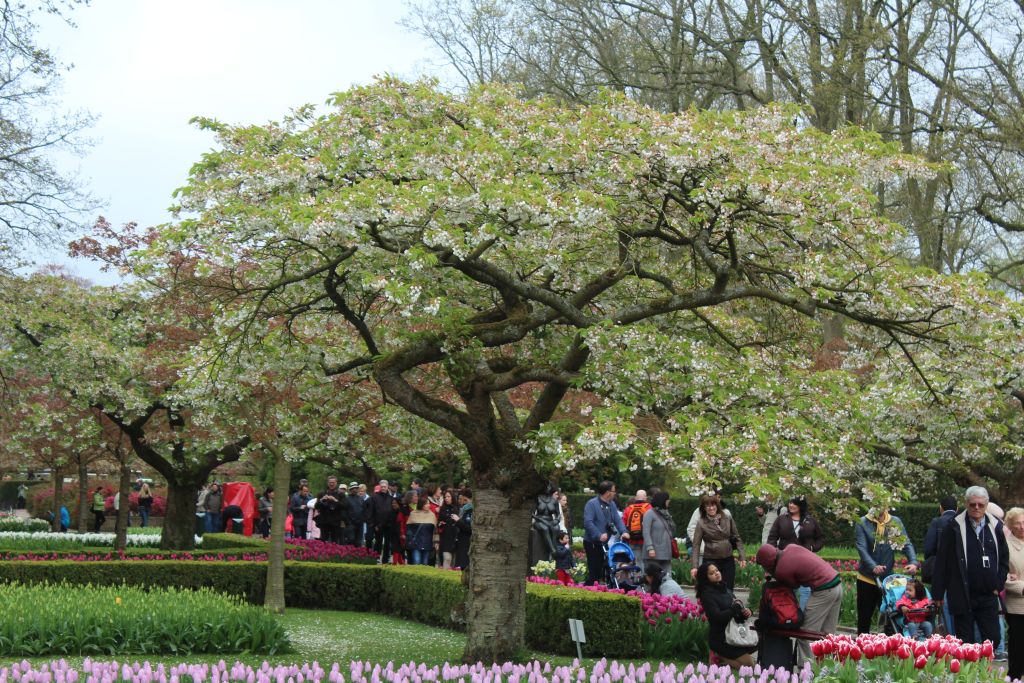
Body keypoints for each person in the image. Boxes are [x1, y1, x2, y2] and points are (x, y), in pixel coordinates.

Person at [932, 486, 1008, 645]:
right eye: (973, 504)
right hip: (962, 593)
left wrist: (998, 584)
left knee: (993, 638)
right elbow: (941, 561)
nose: (976, 508)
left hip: (988, 594)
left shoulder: (996, 526)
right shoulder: (953, 527)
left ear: (986, 505)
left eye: (980, 504)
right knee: (965, 641)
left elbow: (1003, 559)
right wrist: (938, 593)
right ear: (966, 504)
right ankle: (969, 669)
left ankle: (985, 669)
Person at [755, 542, 843, 665]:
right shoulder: (791, 547)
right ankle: (827, 670)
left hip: (823, 590)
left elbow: (793, 585)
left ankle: (806, 671)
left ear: (768, 564)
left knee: (806, 633)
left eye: (764, 566)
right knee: (827, 634)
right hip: (837, 585)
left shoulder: (782, 569)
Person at [853, 507, 918, 634]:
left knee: (890, 619)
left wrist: (913, 562)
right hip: (866, 578)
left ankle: (889, 650)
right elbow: (861, 548)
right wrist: (873, 566)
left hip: (887, 581)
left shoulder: (895, 522)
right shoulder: (862, 522)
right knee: (864, 619)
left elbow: (906, 543)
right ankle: (861, 650)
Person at [695, 562, 756, 669]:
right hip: (721, 639)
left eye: (717, 571)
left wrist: (746, 612)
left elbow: (737, 612)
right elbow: (716, 618)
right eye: (711, 573)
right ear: (705, 577)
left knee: (758, 641)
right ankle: (719, 656)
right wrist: (733, 610)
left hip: (735, 634)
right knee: (749, 666)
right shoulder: (707, 594)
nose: (716, 574)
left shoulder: (727, 590)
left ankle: (727, 658)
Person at [768, 497, 825, 609]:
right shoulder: (782, 519)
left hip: (805, 562)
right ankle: (789, 615)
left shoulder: (810, 520)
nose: (791, 505)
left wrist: (813, 548)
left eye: (794, 503)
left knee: (806, 590)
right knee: (788, 589)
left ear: (801, 505)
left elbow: (821, 538)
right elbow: (772, 538)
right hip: (786, 561)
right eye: (789, 502)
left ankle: (803, 616)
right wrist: (774, 554)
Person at [690, 494, 745, 589]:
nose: (711, 508)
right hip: (711, 560)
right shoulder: (701, 523)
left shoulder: (727, 518)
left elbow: (737, 537)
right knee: (712, 589)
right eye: (707, 506)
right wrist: (695, 566)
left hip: (727, 558)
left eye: (713, 505)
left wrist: (742, 556)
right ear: (704, 508)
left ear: (717, 505)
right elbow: (696, 545)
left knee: (728, 588)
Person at [582, 481, 630, 585]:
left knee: (607, 569)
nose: (615, 493)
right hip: (593, 543)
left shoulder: (611, 504)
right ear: (608, 492)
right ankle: (589, 589)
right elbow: (588, 522)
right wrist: (598, 535)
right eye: (614, 491)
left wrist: (624, 532)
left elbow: (617, 520)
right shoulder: (592, 504)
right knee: (595, 571)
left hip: (605, 543)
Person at [923, 494, 958, 633]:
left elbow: (929, 548)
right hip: (959, 572)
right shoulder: (961, 521)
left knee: (943, 607)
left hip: (941, 571)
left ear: (940, 508)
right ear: (957, 509)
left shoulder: (937, 522)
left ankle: (947, 638)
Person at [1003, 506, 1024, 681]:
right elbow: (1003, 577)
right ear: (1011, 526)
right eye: (1018, 523)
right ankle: (1015, 676)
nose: (1022, 526)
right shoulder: (1006, 547)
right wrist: (1020, 585)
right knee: (1017, 643)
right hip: (1017, 604)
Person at [642, 491, 676, 576]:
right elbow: (646, 532)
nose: (669, 501)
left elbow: (672, 529)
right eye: (667, 500)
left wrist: (669, 519)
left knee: (667, 577)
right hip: (653, 553)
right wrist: (650, 548)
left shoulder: (666, 514)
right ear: (662, 500)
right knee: (653, 578)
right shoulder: (649, 513)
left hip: (666, 552)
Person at [531, 482, 562, 564]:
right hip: (539, 521)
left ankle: (551, 553)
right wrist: (540, 519)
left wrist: (556, 521)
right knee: (545, 528)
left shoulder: (554, 500)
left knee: (556, 528)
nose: (548, 488)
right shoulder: (537, 498)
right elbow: (532, 513)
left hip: (550, 521)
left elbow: (558, 515)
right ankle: (553, 551)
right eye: (546, 487)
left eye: (549, 487)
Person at [622, 489, 652, 570]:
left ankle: (637, 580)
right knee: (646, 562)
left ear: (635, 498)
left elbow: (623, 524)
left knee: (636, 561)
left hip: (632, 539)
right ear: (645, 498)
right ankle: (646, 580)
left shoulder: (628, 509)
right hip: (645, 540)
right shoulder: (649, 508)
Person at [315, 477, 346, 544]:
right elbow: (316, 506)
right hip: (324, 520)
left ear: (336, 483)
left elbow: (344, 507)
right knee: (323, 541)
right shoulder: (322, 493)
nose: (331, 484)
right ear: (327, 483)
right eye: (330, 482)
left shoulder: (341, 494)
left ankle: (333, 554)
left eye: (333, 482)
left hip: (335, 521)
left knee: (334, 541)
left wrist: (335, 500)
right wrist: (321, 500)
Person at [370, 479, 395, 560]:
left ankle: (385, 559)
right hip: (378, 524)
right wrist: (373, 524)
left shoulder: (391, 498)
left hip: (388, 524)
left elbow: (392, 511)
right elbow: (371, 511)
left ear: (387, 487)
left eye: (385, 487)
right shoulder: (374, 497)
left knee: (387, 542)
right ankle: (376, 558)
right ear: (379, 487)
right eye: (382, 487)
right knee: (378, 542)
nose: (383, 488)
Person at [437, 489, 460, 569]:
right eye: (445, 497)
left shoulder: (458, 508)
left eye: (448, 496)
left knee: (455, 562)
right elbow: (439, 522)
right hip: (446, 537)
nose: (446, 498)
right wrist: (440, 524)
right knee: (447, 558)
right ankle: (445, 576)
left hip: (456, 536)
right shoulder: (442, 509)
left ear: (452, 497)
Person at [454, 489, 473, 569]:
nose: (463, 501)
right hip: (462, 543)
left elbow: (469, 528)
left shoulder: (470, 511)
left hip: (467, 543)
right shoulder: (464, 510)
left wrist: (458, 521)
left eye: (464, 499)